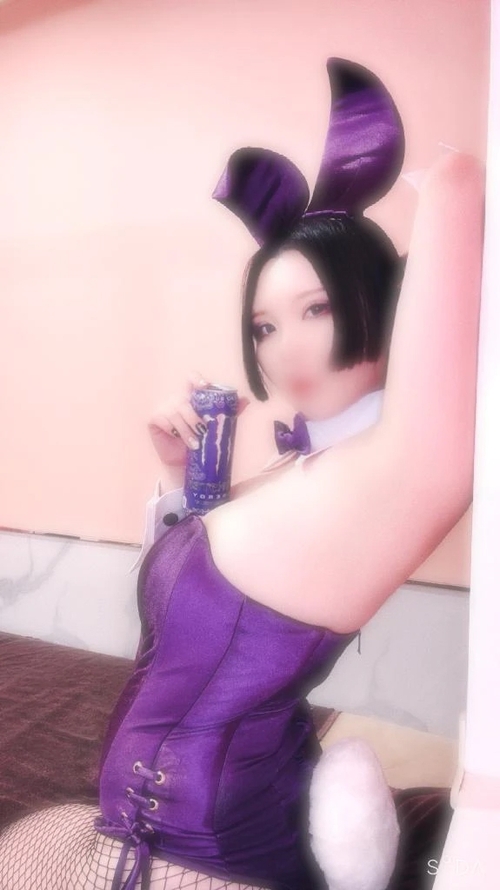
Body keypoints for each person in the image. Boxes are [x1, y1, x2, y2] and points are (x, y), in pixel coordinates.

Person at [0, 58, 484, 890]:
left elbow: (460, 195)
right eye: (264, 326)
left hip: (213, 851)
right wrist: (184, 476)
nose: (283, 349)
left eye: (315, 309)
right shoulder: (298, 467)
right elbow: (206, 609)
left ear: (379, 305)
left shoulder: (394, 471)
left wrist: (454, 181)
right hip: (139, 823)